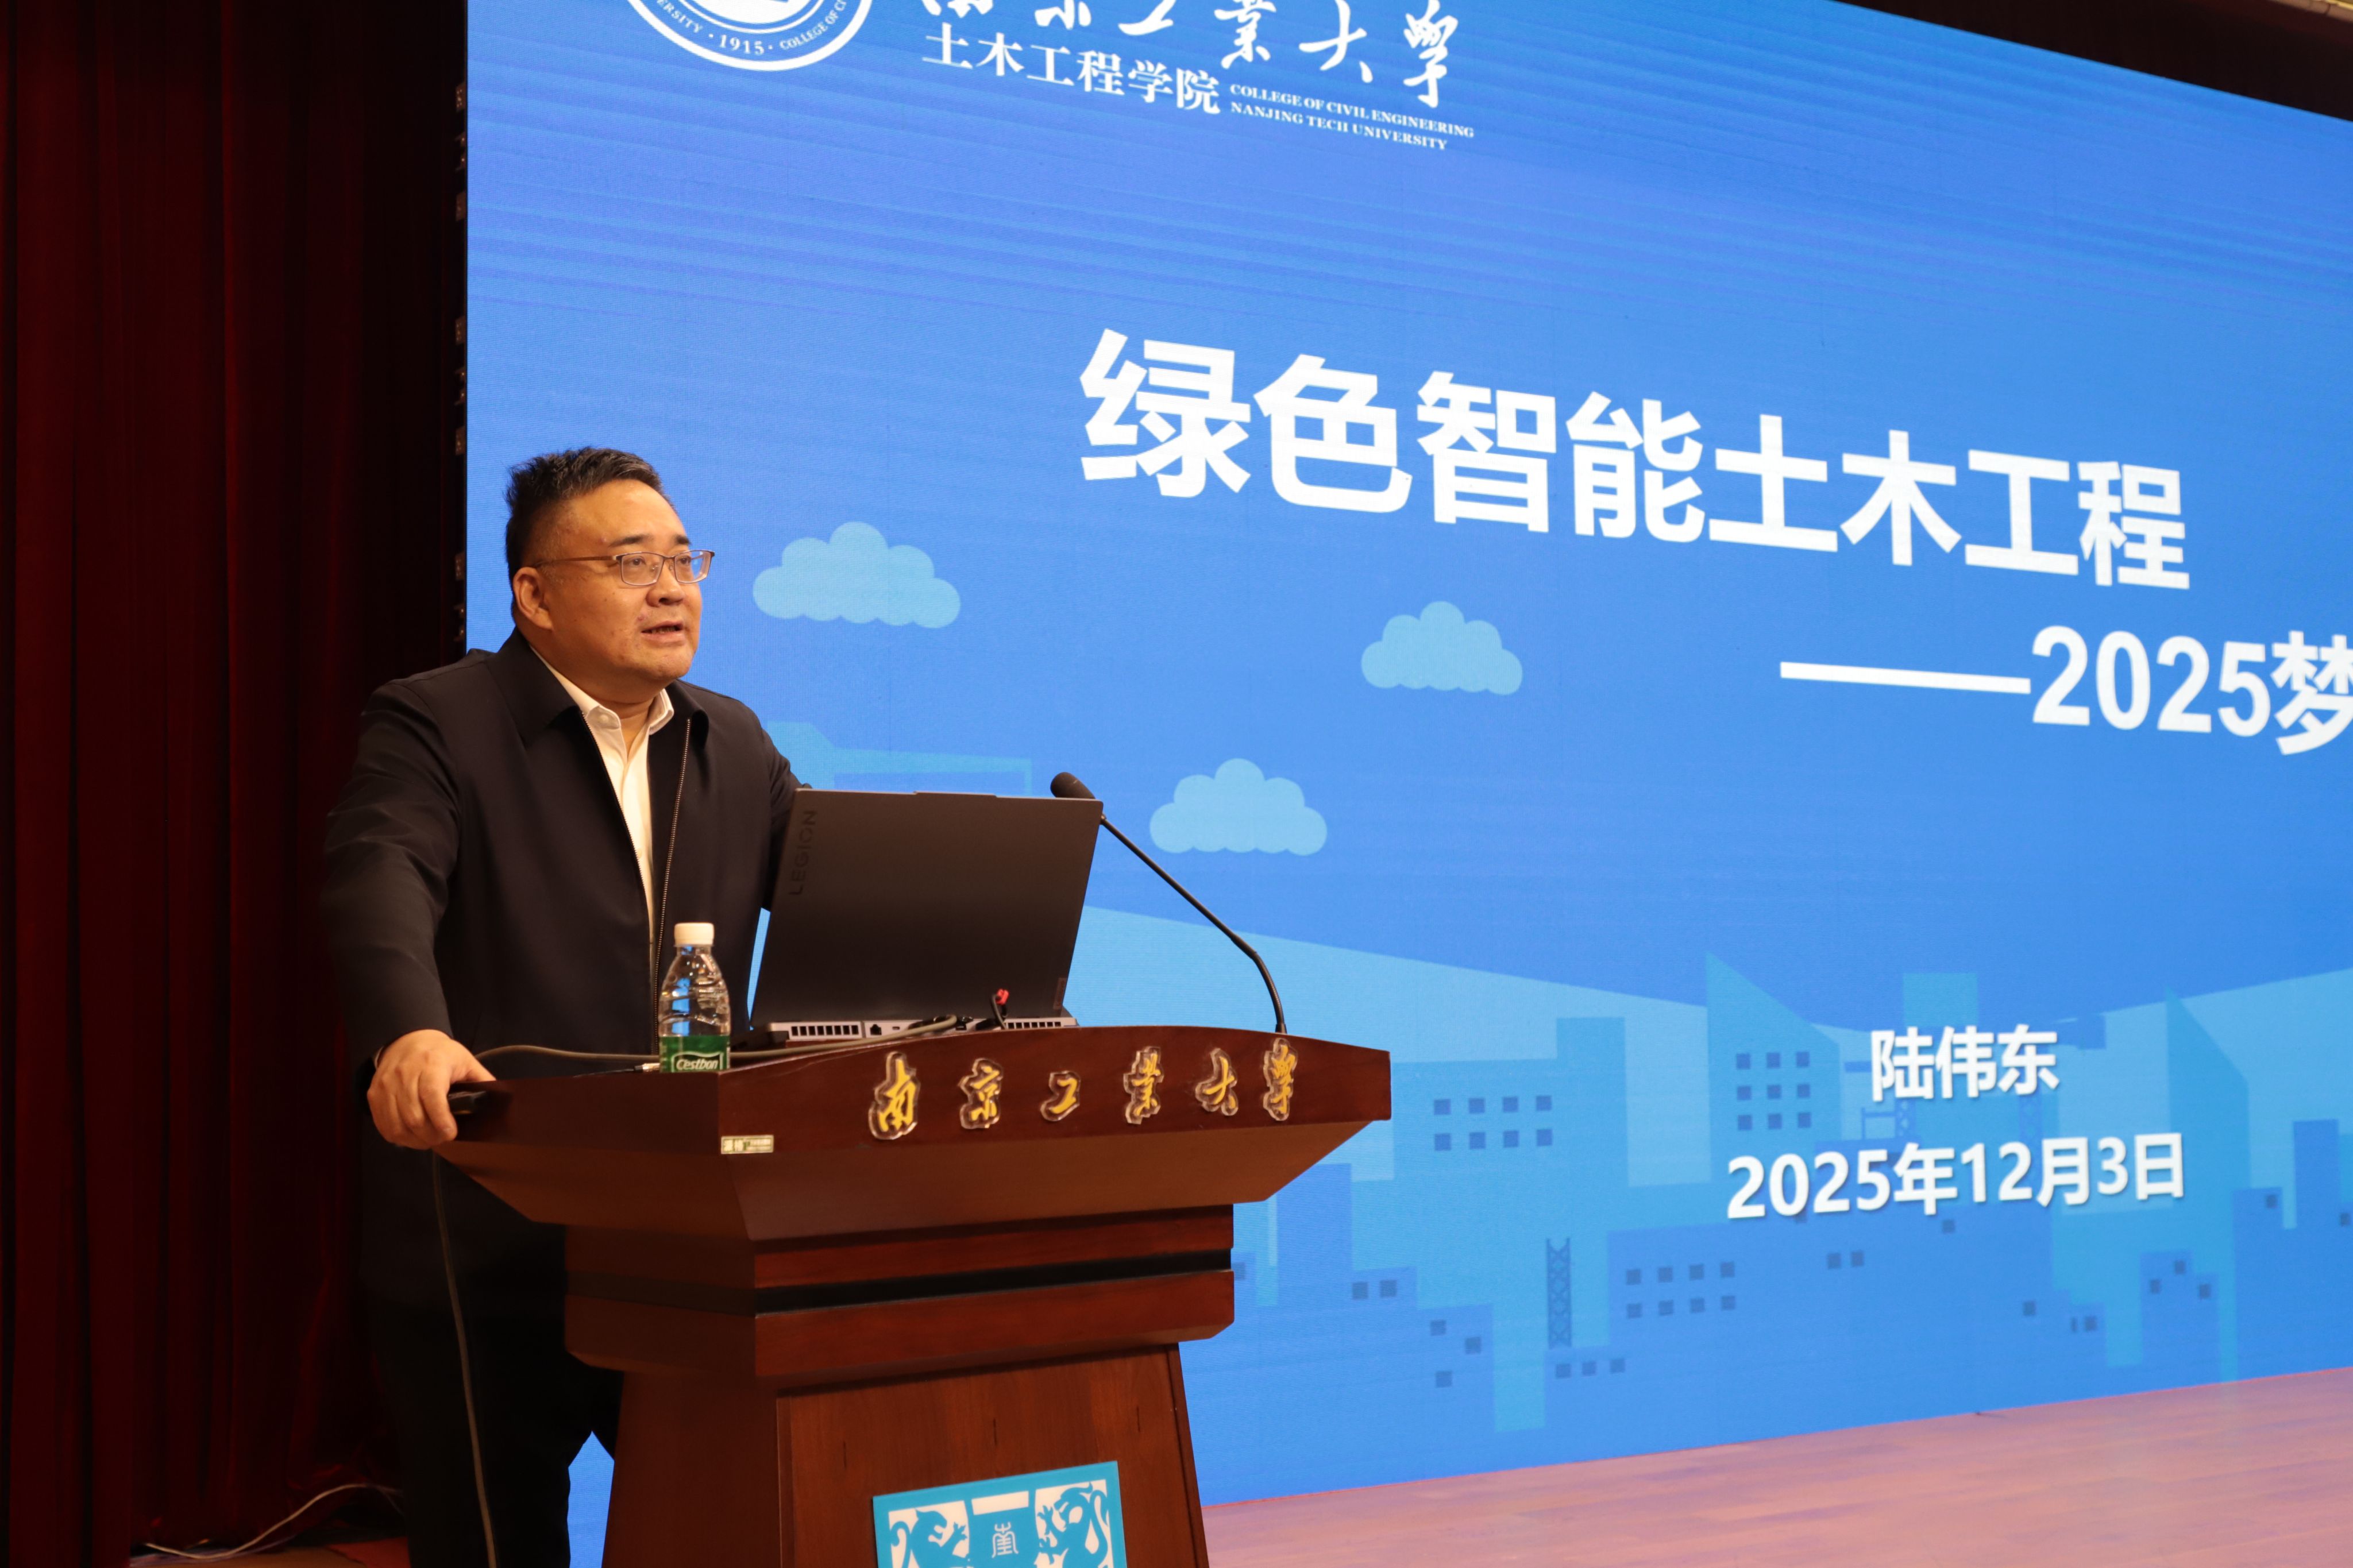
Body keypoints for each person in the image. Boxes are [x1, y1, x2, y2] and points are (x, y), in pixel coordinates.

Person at [323, 448, 797, 1567]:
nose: (671, 590)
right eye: (633, 564)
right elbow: (380, 871)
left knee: (732, 1528)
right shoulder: (440, 720)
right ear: (533, 595)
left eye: (683, 561)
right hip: (491, 1227)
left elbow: (837, 895)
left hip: (685, 1236)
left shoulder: (731, 741)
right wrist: (410, 1028)